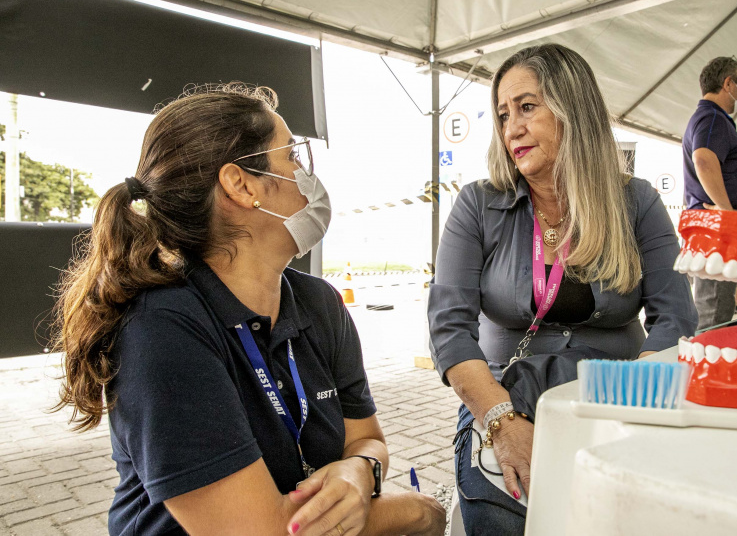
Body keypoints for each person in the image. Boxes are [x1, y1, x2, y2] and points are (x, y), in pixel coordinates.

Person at [51, 84, 445, 536]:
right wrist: (421, 512)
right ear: (240, 185)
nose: (306, 174)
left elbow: (366, 439)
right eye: (292, 156)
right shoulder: (161, 331)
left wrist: (360, 471)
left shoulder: (321, 304)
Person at [427, 44, 698, 533]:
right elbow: (449, 331)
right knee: (504, 516)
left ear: (573, 108)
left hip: (618, 398)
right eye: (504, 114)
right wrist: (501, 422)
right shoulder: (478, 205)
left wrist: (634, 409)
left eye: (527, 107)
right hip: (507, 402)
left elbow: (675, 318)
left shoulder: (635, 202)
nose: (512, 127)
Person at [682, 56, 737, 329]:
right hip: (716, 228)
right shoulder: (712, 117)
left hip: (715, 227)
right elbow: (703, 160)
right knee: (713, 312)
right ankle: (705, 368)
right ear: (728, 84)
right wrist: (726, 211)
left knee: (717, 307)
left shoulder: (713, 119)